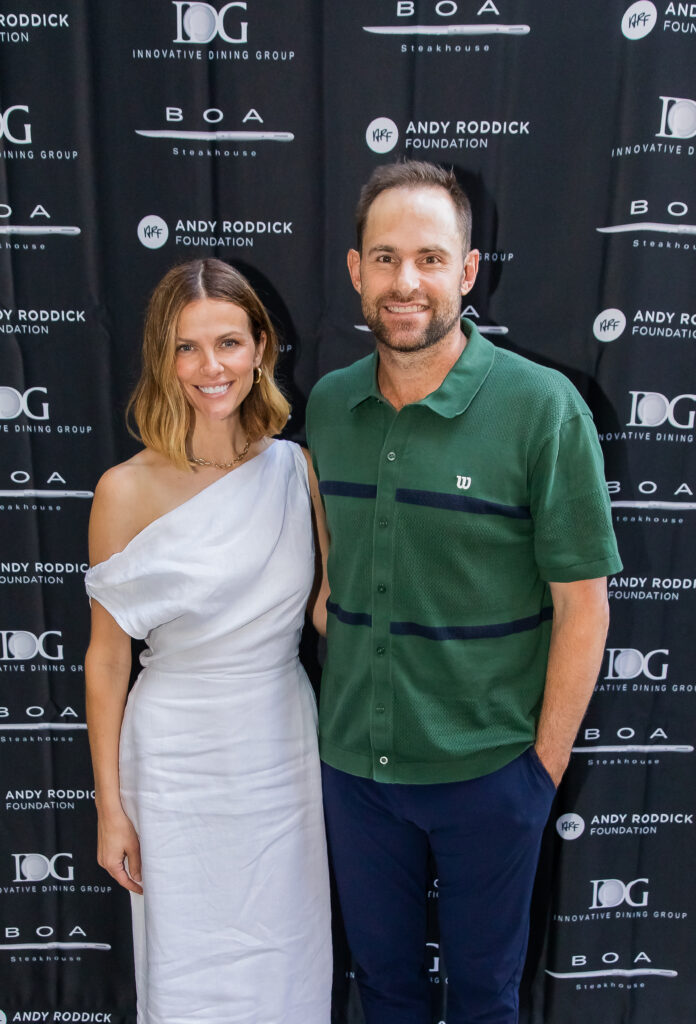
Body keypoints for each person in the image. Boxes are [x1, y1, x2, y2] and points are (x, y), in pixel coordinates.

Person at [306, 161, 622, 1024]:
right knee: (384, 991)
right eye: (385, 258)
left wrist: (540, 771)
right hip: (353, 775)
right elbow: (330, 570)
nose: (406, 281)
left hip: (492, 774)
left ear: (468, 271)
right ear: (355, 270)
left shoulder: (543, 408)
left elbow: (584, 606)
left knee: (485, 998)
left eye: (430, 258)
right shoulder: (328, 407)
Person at [84, 258, 332, 1024]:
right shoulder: (123, 490)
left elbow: (329, 610)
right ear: (163, 357)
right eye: (187, 348)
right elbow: (106, 657)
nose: (209, 367)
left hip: (281, 753)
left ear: (261, 348)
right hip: (175, 766)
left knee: (286, 959)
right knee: (189, 970)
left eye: (227, 342)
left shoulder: (297, 469)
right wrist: (110, 808)